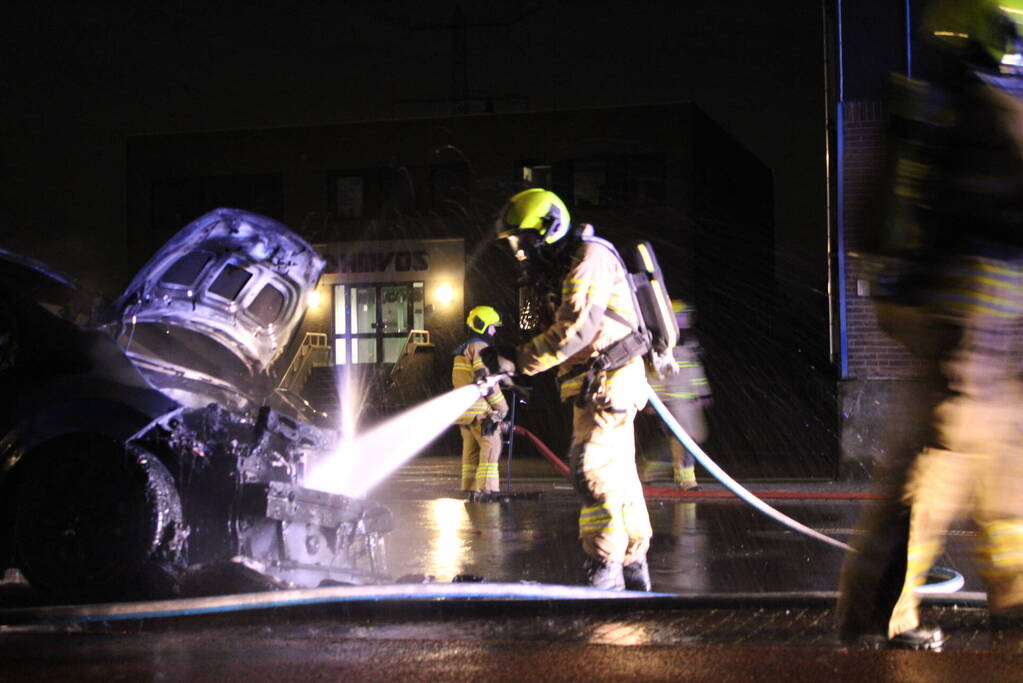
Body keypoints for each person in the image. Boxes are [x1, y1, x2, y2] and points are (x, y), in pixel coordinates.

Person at [838, 0, 1023, 649]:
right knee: (930, 475)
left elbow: (872, 228)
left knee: (997, 465)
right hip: (974, 324)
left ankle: (1009, 600)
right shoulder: (994, 110)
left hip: (948, 317)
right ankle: (874, 618)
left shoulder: (927, 106)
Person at [492, 188, 652, 591]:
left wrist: (520, 359)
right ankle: (634, 573)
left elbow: (576, 330)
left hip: (608, 384)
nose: (521, 251)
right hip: (604, 385)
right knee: (619, 480)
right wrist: (522, 364)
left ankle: (604, 575)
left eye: (524, 240)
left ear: (550, 227)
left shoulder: (590, 258)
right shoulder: (568, 265)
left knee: (591, 470)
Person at [644, 300, 711, 491]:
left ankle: (650, 468)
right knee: (684, 441)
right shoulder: (663, 344)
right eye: (680, 316)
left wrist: (702, 393)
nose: (685, 320)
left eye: (686, 316)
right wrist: (654, 401)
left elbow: (695, 371)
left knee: (683, 440)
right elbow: (655, 376)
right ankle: (686, 479)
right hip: (671, 403)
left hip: (688, 403)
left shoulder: (689, 343)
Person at [452, 305, 509, 502]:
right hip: (480, 412)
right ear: (483, 326)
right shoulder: (481, 348)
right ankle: (487, 490)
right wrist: (502, 408)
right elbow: (487, 382)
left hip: (464, 413)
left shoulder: (462, 349)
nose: (494, 331)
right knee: (491, 447)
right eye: (493, 327)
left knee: (471, 452)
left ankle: (470, 489)